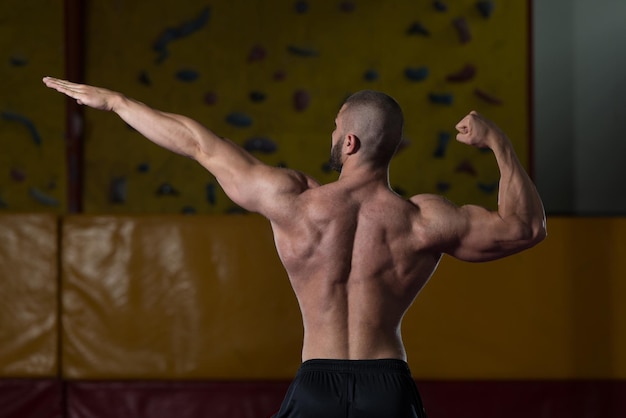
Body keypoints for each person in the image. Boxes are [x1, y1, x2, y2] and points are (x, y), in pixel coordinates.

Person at [43, 77, 547, 417]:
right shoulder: (423, 220)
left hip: (316, 387)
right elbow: (525, 228)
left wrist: (117, 103)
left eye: (334, 128)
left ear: (349, 142)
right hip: (387, 387)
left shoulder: (294, 202)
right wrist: (498, 143)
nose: (331, 134)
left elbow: (198, 144)